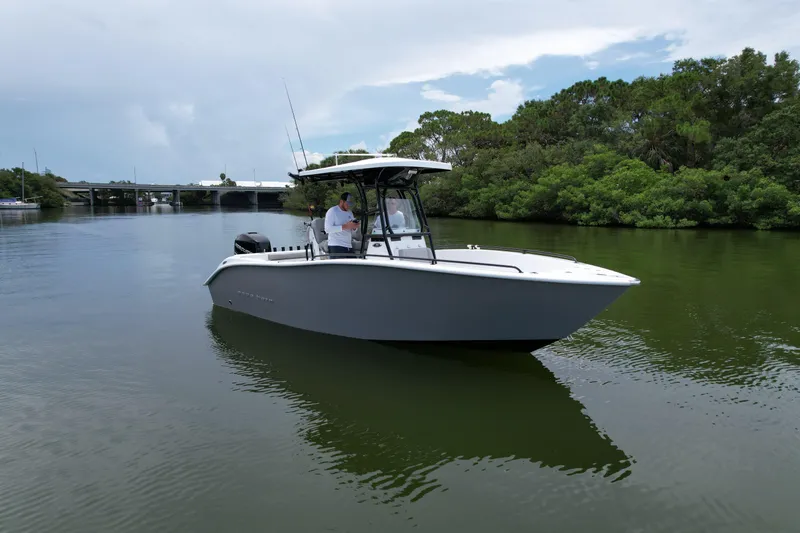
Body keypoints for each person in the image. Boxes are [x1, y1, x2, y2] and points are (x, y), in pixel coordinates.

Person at [325, 192, 360, 258]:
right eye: (347, 204)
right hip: (336, 246)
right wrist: (345, 226)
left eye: (350, 204)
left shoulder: (350, 212)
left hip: (348, 246)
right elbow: (327, 229)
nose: (349, 206)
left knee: (354, 267)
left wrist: (354, 227)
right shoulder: (332, 211)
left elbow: (352, 229)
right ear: (341, 201)